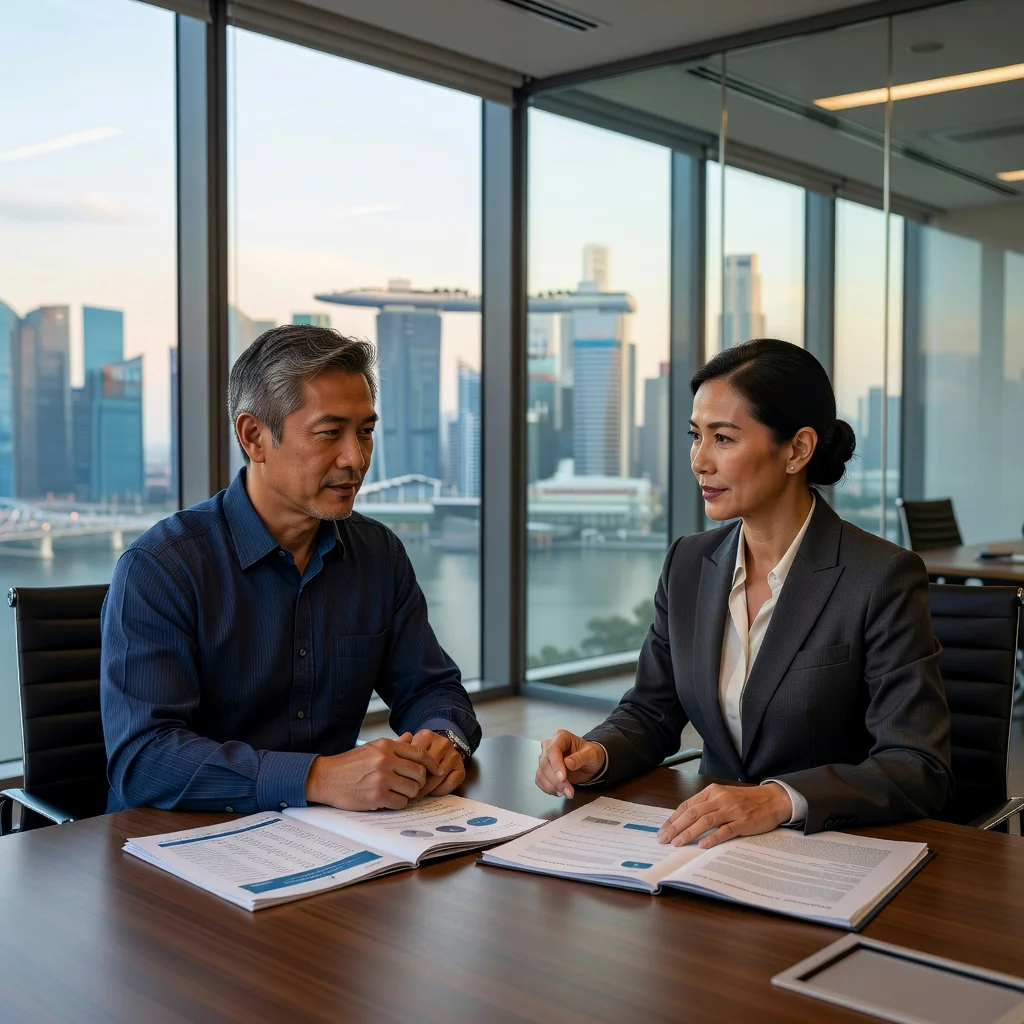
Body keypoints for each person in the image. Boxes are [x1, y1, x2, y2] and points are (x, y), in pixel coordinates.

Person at [536, 339, 952, 848]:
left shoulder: (881, 576)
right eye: (696, 436)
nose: (699, 461)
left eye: (724, 439)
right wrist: (595, 753)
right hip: (711, 845)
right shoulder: (688, 563)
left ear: (797, 449)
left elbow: (917, 765)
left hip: (827, 849)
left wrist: (779, 798)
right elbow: (650, 713)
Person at [102, 325, 480, 813]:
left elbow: (433, 687)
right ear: (254, 436)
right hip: (177, 849)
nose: (357, 458)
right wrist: (316, 777)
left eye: (365, 432)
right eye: (330, 434)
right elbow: (144, 758)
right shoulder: (161, 569)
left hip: (334, 841)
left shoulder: (378, 554)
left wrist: (443, 736)